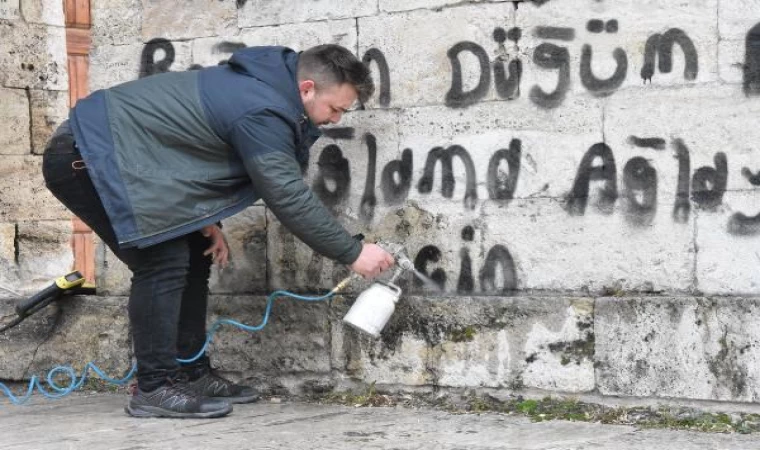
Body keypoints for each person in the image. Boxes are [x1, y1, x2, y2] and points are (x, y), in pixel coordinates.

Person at [41, 44, 395, 419]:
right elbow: (286, 194)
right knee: (162, 260)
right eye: (335, 109)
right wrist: (352, 253)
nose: (336, 120)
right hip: (86, 157)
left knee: (194, 251)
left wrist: (202, 218)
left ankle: (189, 371)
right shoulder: (264, 108)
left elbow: (180, 141)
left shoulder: (264, 91)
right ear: (307, 88)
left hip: (129, 160)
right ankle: (155, 386)